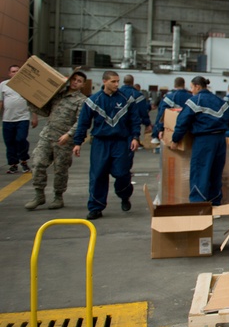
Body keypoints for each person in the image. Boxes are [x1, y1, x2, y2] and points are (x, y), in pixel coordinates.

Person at [73, 71, 140, 220]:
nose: (117, 84)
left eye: (118, 81)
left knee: (122, 173)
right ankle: (96, 208)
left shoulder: (126, 99)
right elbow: (83, 123)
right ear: (104, 81)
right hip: (100, 142)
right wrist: (78, 142)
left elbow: (134, 120)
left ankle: (124, 195)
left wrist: (135, 137)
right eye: (113, 81)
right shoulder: (93, 100)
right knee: (98, 176)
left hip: (121, 142)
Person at [25, 70, 87, 210]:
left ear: (83, 85)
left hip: (63, 140)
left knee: (60, 169)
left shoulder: (82, 101)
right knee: (37, 163)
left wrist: (69, 134)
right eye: (74, 79)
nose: (75, 82)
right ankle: (39, 195)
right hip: (47, 136)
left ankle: (58, 197)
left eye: (79, 81)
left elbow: (81, 121)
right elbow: (45, 111)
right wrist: (30, 100)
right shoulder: (58, 96)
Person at [168, 76, 229, 205]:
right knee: (215, 172)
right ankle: (214, 204)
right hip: (220, 139)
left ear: (197, 86)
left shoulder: (195, 101)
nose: (191, 91)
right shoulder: (220, 101)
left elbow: (182, 121)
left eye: (191, 88)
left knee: (200, 171)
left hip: (204, 140)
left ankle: (198, 204)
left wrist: (175, 139)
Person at [1, 63, 38, 174]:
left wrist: (34, 117)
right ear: (9, 73)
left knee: (20, 139)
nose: (15, 73)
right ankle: (13, 164)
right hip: (7, 120)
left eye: (18, 71)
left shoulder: (26, 84)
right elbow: (1, 102)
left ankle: (23, 160)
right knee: (9, 143)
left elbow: (32, 102)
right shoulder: (3, 85)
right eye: (13, 71)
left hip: (23, 118)